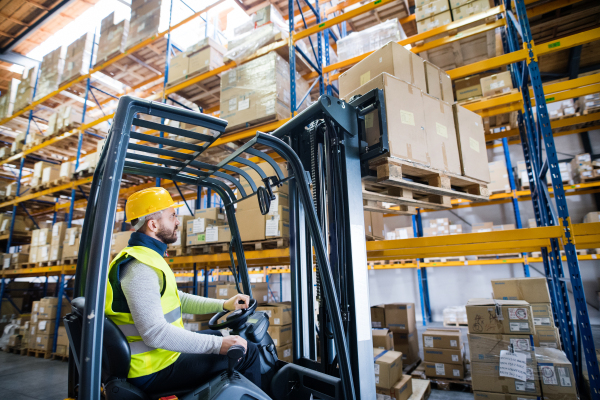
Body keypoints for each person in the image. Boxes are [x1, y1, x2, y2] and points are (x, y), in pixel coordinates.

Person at [105, 187, 261, 394]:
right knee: (248, 352)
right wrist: (218, 345)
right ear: (153, 224)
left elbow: (178, 298)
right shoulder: (140, 267)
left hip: (160, 358)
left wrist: (224, 305)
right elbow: (155, 334)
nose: (178, 222)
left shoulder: (148, 258)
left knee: (220, 336)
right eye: (172, 216)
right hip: (150, 370)